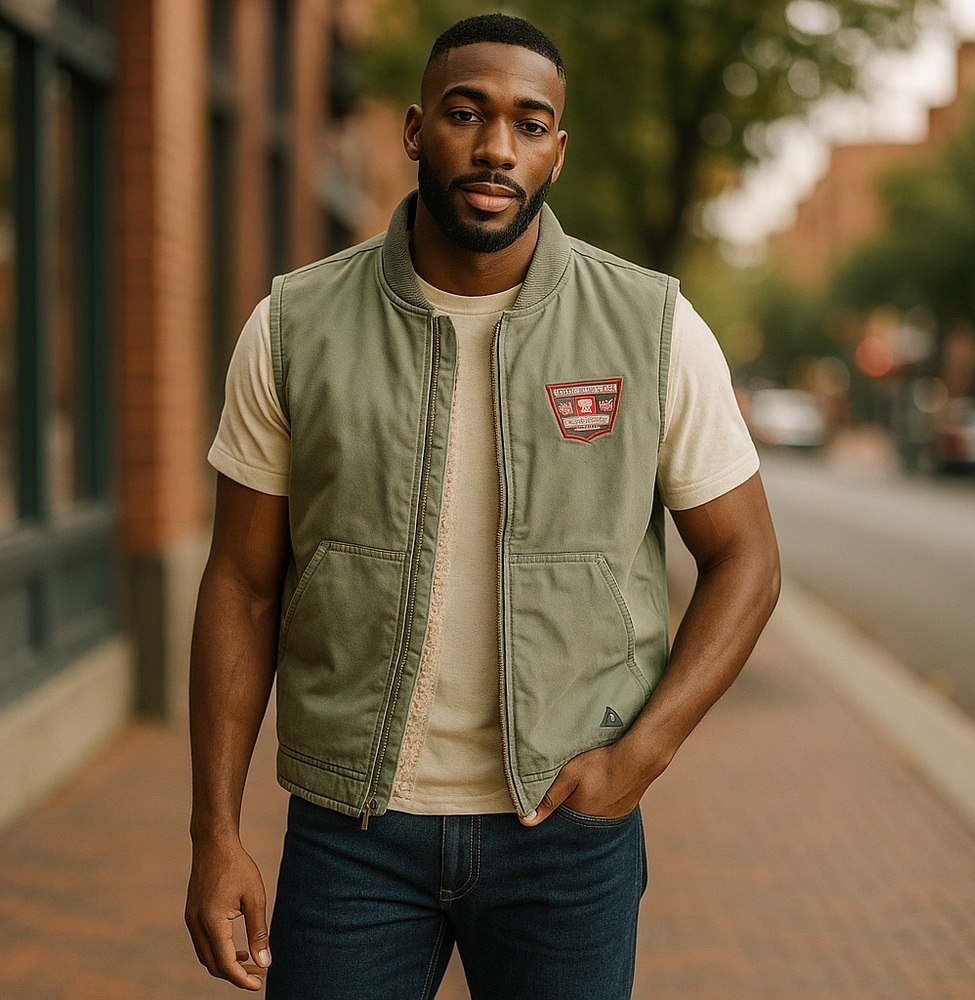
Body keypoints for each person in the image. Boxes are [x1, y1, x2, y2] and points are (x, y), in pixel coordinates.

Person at [185, 13, 780, 999]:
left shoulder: (652, 327)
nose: (497, 146)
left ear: (556, 149)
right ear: (416, 130)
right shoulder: (294, 326)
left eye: (528, 123)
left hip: (566, 835)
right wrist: (214, 832)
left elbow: (746, 559)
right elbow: (241, 584)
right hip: (351, 835)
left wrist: (640, 756)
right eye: (466, 114)